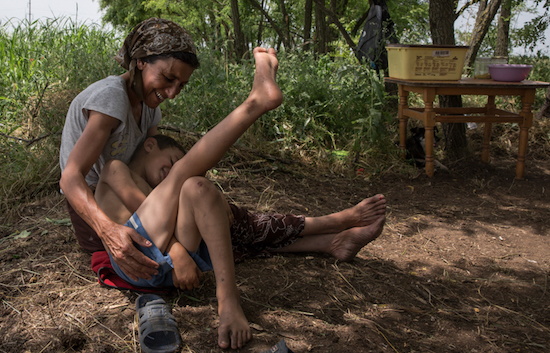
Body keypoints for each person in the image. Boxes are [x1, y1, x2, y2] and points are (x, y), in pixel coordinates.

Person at [59, 18, 387, 292]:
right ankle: (256, 104)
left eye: (181, 85)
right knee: (190, 183)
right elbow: (72, 177)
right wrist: (108, 231)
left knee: (219, 221)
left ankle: (329, 241)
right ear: (141, 60)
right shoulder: (111, 99)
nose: (172, 93)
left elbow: (148, 168)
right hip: (101, 217)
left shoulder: (149, 110)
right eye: (168, 78)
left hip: (141, 212)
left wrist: (198, 202)